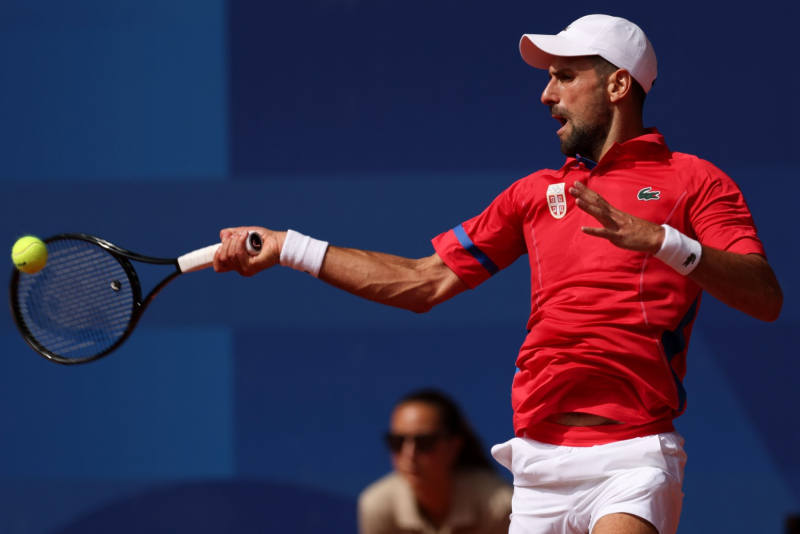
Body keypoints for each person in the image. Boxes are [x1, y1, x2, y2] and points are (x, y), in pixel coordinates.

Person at [213, 14, 783, 534]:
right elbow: (424, 281)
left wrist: (663, 241)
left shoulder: (696, 181)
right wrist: (288, 247)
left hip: (632, 457)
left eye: (564, 77)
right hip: (537, 463)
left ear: (617, 85)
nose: (546, 94)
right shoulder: (532, 195)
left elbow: (764, 296)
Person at [358, 389, 512, 534]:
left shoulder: (500, 506)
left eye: (424, 442)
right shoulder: (377, 507)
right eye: (397, 442)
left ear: (454, 446)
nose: (409, 454)